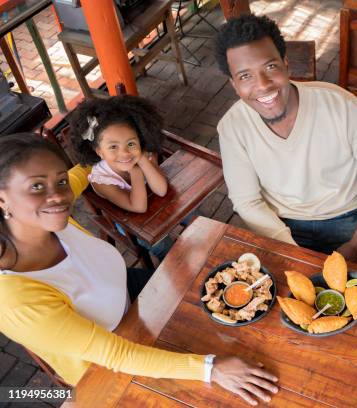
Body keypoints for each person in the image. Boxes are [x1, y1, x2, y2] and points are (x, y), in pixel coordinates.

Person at [0, 134, 278, 406]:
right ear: (2, 199)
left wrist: (116, 151)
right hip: (106, 364)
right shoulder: (13, 300)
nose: (58, 196)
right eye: (36, 187)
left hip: (132, 296)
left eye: (59, 181)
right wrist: (211, 369)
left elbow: (80, 172)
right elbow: (117, 354)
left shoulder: (48, 215)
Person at [215, 14, 357, 261]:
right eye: (245, 76)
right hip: (279, 224)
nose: (263, 85)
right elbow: (246, 201)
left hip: (349, 218)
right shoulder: (232, 127)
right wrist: (292, 252)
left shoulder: (343, 105)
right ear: (234, 85)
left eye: (270, 67)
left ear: (286, 64)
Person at [69, 95, 173, 259]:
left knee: (193, 214)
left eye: (131, 144)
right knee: (163, 245)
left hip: (153, 204)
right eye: (113, 147)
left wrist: (144, 158)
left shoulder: (141, 154)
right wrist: (137, 172)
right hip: (130, 223)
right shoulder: (102, 181)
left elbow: (161, 190)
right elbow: (139, 207)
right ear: (99, 152)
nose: (124, 153)